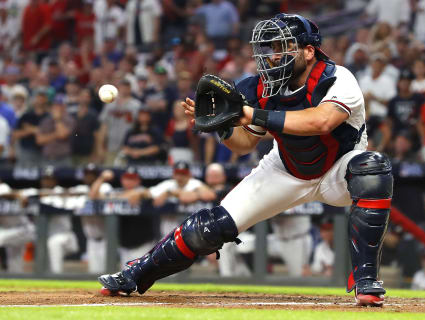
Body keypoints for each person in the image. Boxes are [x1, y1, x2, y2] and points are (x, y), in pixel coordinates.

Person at [99, 13, 393, 307]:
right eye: (272, 48)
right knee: (208, 229)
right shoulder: (264, 86)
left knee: (372, 167)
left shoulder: (338, 78)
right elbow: (244, 144)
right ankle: (136, 274)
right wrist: (223, 126)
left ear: (309, 51)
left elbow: (321, 122)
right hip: (285, 167)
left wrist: (250, 114)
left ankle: (366, 279)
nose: (276, 56)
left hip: (339, 168)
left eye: (284, 47)